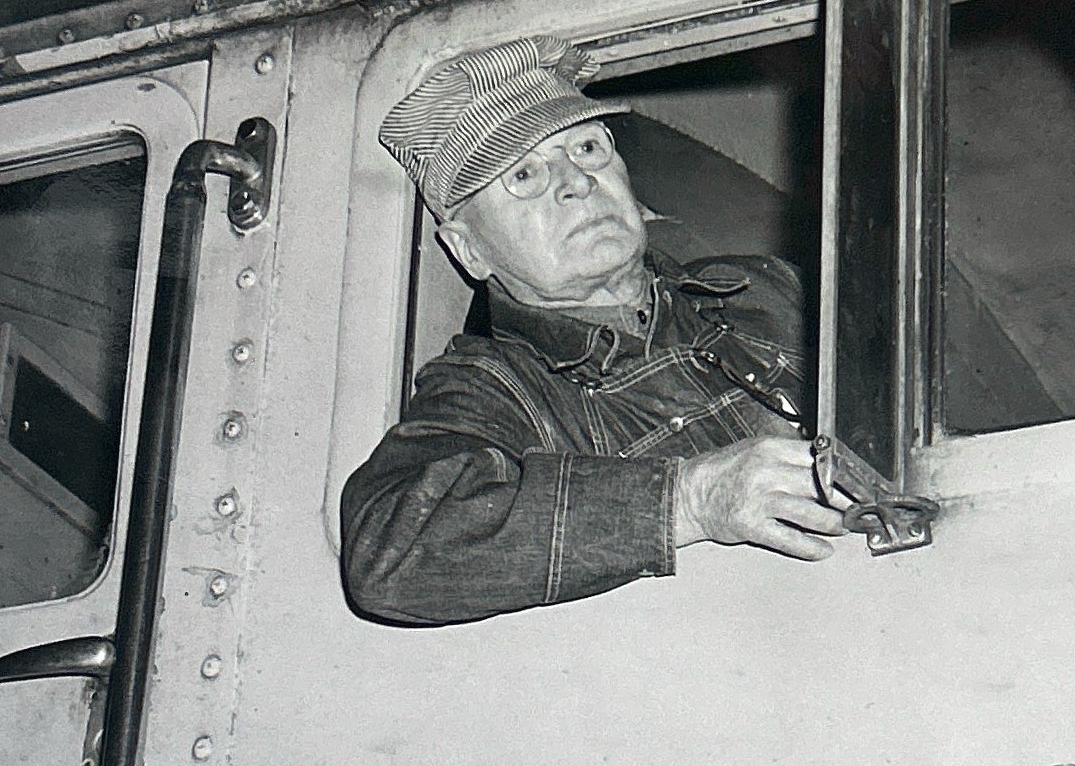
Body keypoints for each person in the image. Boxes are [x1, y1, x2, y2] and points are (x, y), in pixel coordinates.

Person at [340, 34, 846, 624]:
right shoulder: (493, 389)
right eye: (523, 175)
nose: (577, 181)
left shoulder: (767, 286)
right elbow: (390, 552)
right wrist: (690, 498)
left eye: (586, 147)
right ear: (468, 249)